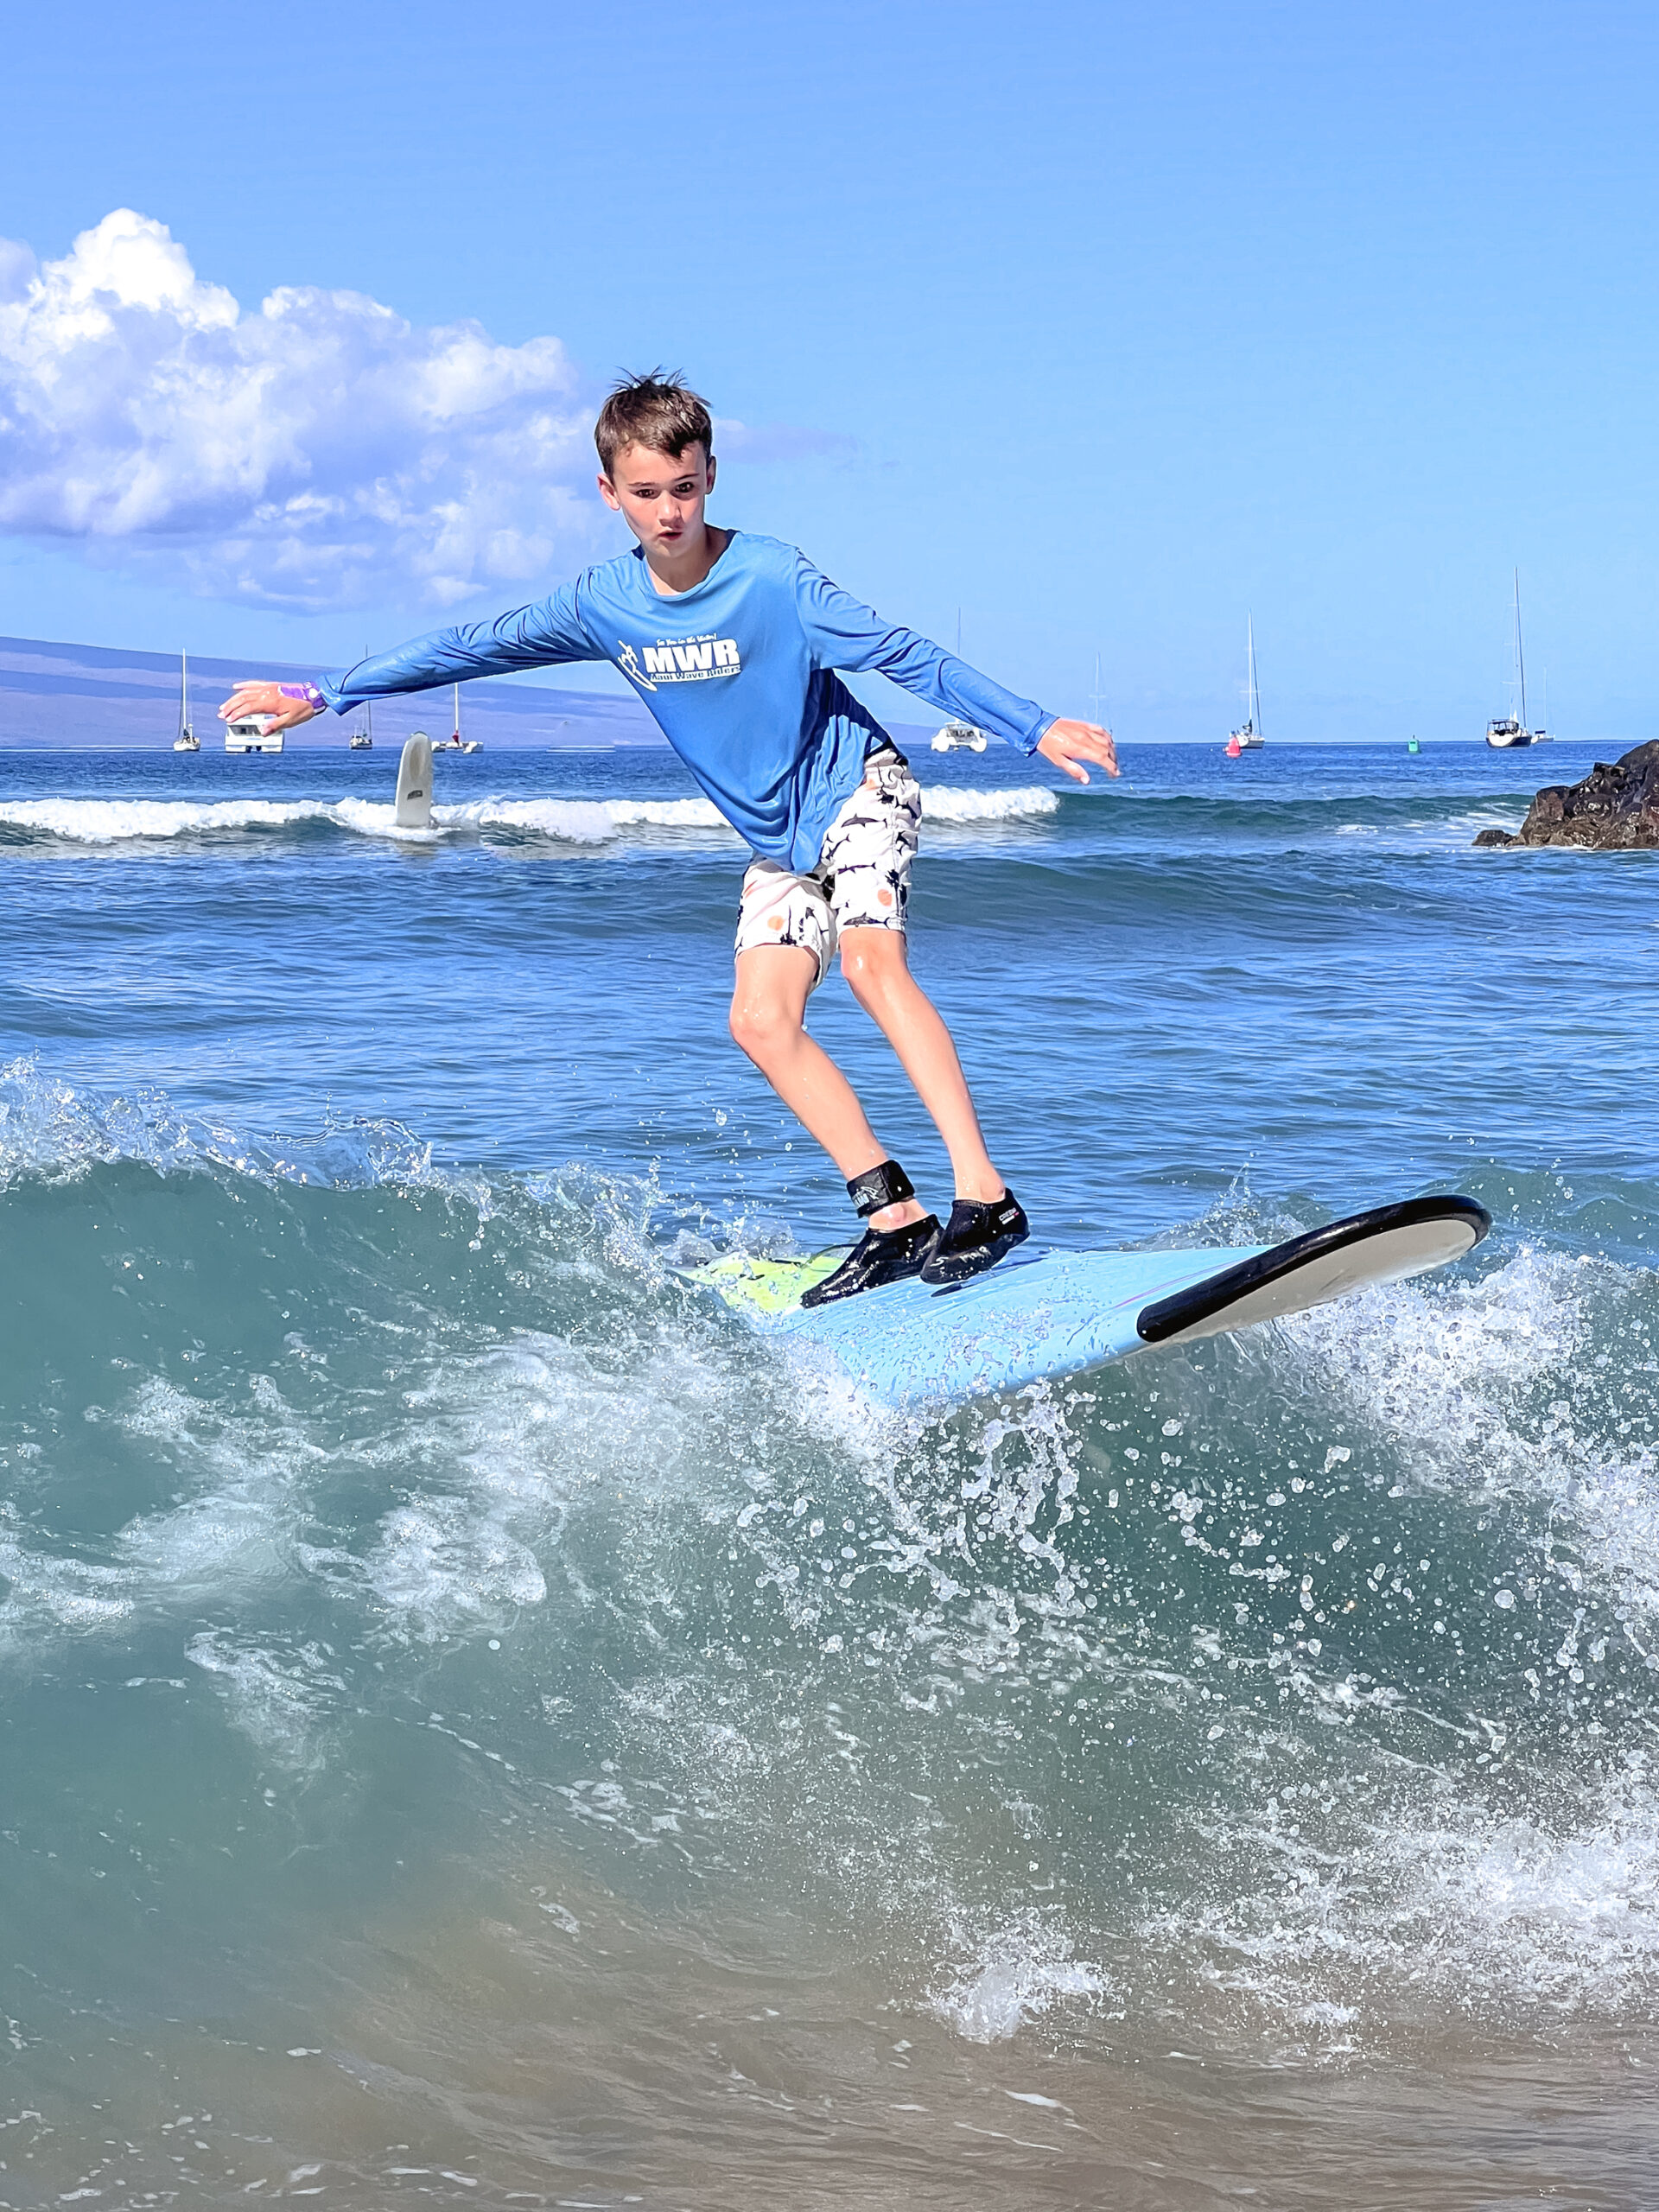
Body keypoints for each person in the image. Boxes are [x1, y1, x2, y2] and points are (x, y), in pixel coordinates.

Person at [221, 373, 1118, 1305]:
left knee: (869, 967)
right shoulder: (603, 603)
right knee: (759, 1020)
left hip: (861, 789)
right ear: (609, 492)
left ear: (711, 475)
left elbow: (901, 652)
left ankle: (987, 1195)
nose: (667, 512)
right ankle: (895, 1219)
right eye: (645, 493)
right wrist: (325, 693)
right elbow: (466, 645)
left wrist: (1033, 726)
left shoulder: (773, 579)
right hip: (779, 840)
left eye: (683, 488)